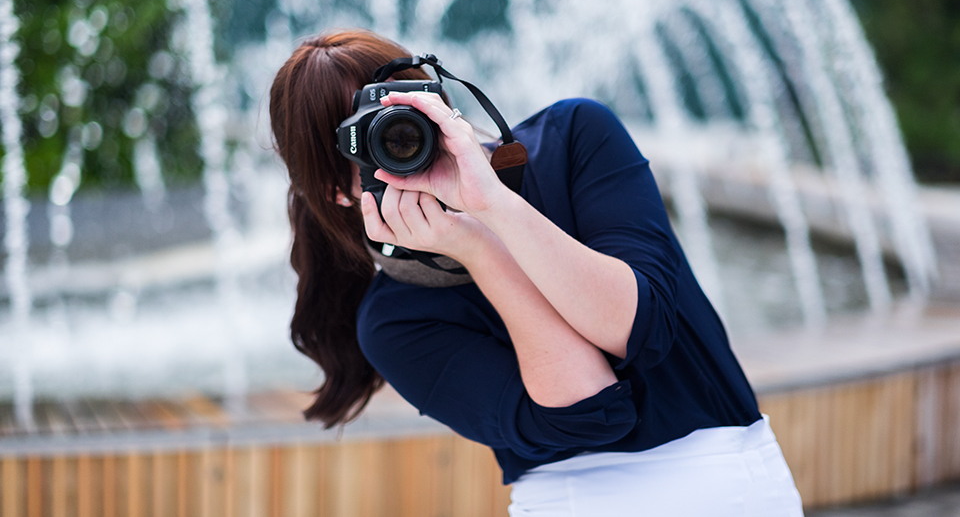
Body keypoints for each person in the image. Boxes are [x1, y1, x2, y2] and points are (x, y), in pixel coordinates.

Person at [269, 29, 804, 516]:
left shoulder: (575, 139)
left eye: (406, 124)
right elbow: (591, 411)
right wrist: (478, 248)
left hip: (731, 485)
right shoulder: (393, 322)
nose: (401, 147)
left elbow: (639, 325)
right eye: (373, 145)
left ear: (437, 104)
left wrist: (493, 203)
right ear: (338, 192)